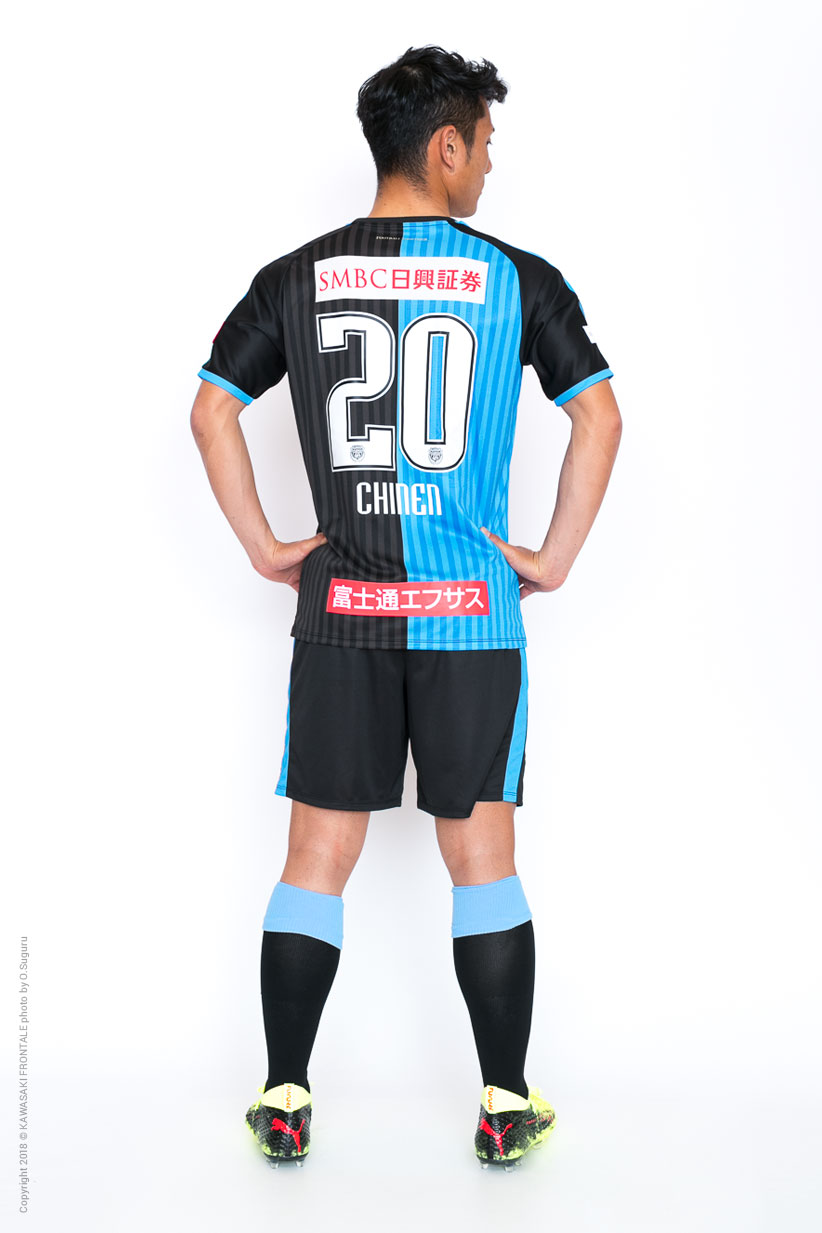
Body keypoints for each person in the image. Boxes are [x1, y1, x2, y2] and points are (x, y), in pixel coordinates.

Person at [190, 45, 621, 1171]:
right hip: (471, 617)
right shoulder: (517, 278)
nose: (490, 166)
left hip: (341, 615)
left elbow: (211, 409)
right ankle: (504, 1102)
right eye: (485, 144)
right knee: (484, 860)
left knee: (314, 855)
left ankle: (285, 1095)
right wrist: (554, 558)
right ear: (445, 146)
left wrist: (265, 547)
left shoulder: (296, 275)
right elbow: (600, 415)